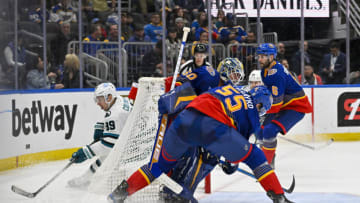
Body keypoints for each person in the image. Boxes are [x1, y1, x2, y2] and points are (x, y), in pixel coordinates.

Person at [108, 80, 293, 203]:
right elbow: (235, 155)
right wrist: (231, 165)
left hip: (183, 121)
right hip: (210, 128)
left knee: (157, 167)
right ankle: (279, 197)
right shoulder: (252, 112)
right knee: (255, 155)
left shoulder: (228, 88)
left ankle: (119, 194)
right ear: (260, 105)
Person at [256, 43, 312, 166]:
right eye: (259, 56)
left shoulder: (276, 74)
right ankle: (267, 155)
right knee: (260, 131)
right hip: (284, 105)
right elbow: (270, 96)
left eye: (263, 56)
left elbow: (276, 103)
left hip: (296, 107)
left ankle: (266, 164)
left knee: (269, 131)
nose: (260, 59)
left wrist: (261, 113)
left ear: (271, 57)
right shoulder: (265, 71)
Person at [68, 82, 132, 187]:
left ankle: (85, 179)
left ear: (109, 97)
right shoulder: (119, 100)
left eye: (99, 99)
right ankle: (85, 179)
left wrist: (86, 152)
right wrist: (102, 126)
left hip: (134, 146)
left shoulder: (115, 115)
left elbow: (109, 145)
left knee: (106, 157)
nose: (98, 103)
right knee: (106, 157)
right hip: (133, 137)